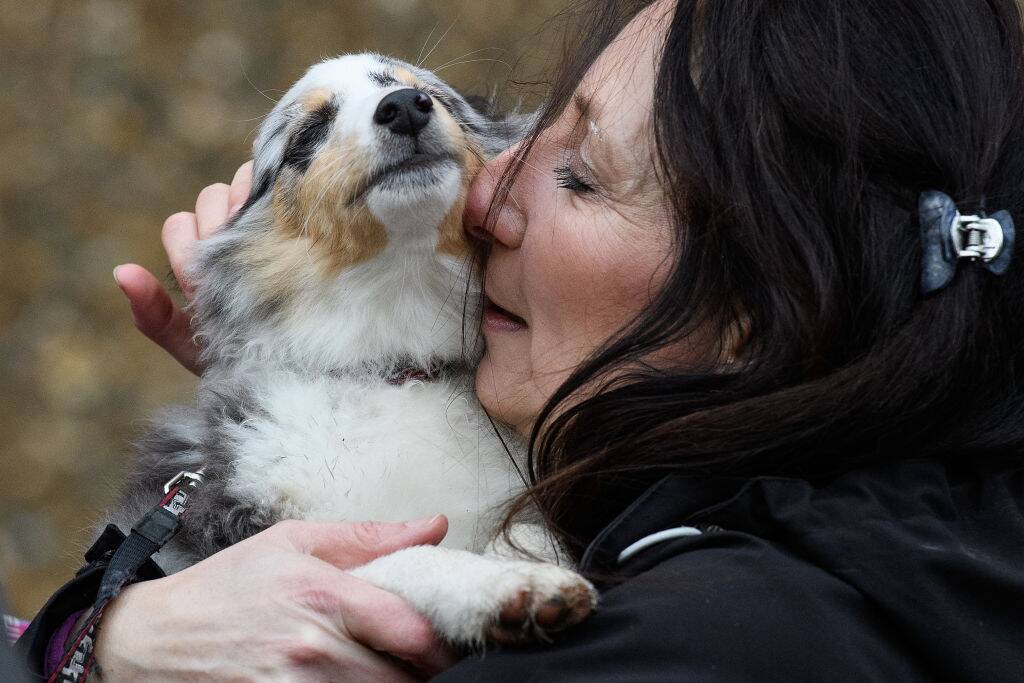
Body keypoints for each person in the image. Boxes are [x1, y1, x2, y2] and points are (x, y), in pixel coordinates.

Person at [16, 0, 1024, 679]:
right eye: (531, 136)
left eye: (580, 173)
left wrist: (93, 646)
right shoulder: (935, 529)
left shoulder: (682, 637)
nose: (485, 187)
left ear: (769, 310)